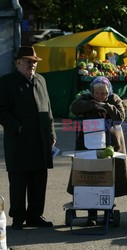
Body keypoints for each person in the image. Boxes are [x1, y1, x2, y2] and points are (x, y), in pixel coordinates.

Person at [0, 46, 56, 230]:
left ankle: (35, 215)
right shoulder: (7, 82)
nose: (32, 65)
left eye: (34, 62)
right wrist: (18, 126)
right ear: (18, 62)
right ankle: (18, 217)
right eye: (28, 61)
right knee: (18, 181)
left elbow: (48, 110)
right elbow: (2, 111)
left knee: (39, 180)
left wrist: (52, 133)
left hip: (40, 139)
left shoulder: (41, 80)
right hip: (19, 140)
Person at [67, 76, 127, 226]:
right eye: (97, 93)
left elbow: (120, 117)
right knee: (90, 178)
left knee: (109, 177)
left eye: (103, 93)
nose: (100, 96)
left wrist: (105, 106)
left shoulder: (114, 98)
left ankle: (107, 211)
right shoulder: (86, 97)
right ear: (92, 91)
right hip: (89, 144)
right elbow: (74, 108)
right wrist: (93, 104)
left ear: (108, 91)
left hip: (111, 145)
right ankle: (91, 215)